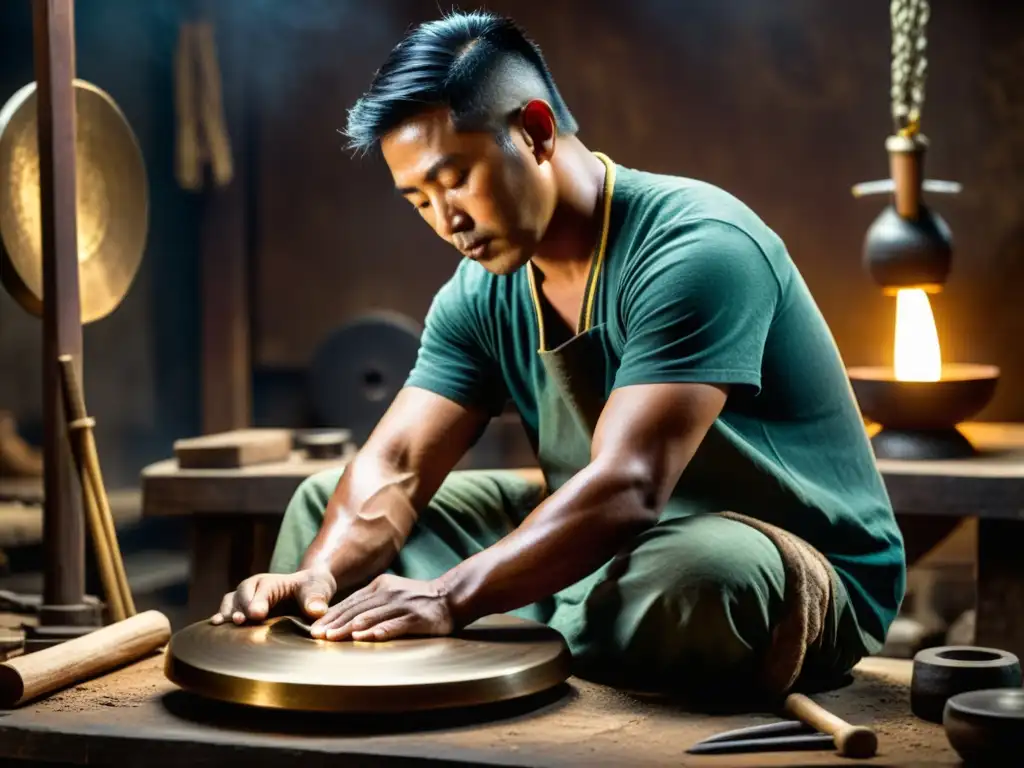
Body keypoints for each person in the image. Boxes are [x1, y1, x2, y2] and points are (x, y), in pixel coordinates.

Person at [213, 10, 905, 702]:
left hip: (781, 557)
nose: (445, 220)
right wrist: (322, 575)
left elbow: (630, 486)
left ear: (537, 132)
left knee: (697, 579)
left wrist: (452, 597)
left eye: (455, 177)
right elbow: (396, 465)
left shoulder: (699, 246)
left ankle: (502, 622)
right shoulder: (481, 290)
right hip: (606, 542)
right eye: (418, 199)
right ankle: (528, 620)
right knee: (320, 509)